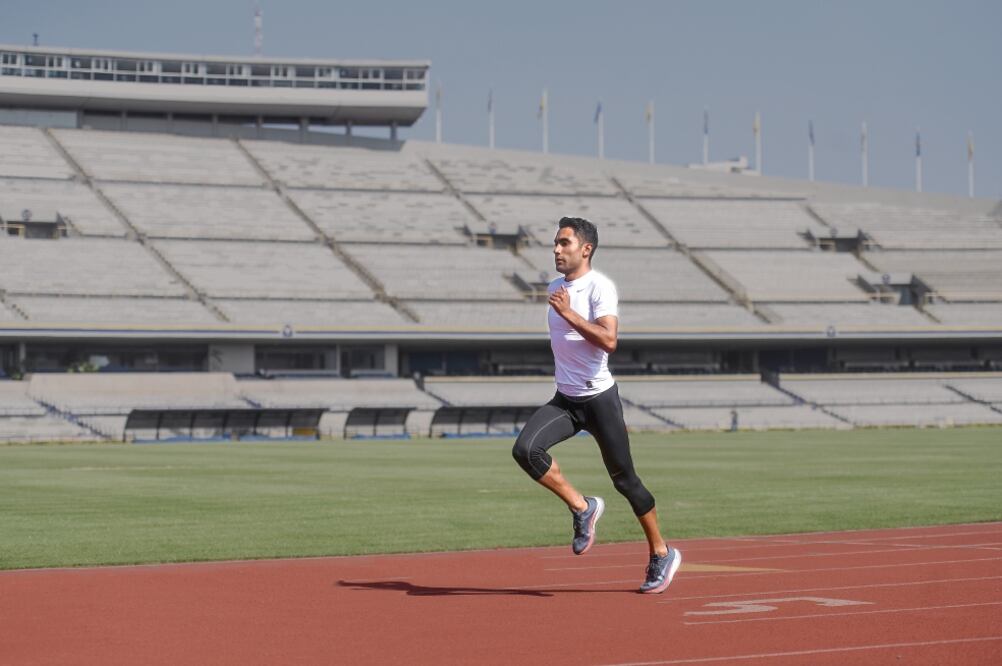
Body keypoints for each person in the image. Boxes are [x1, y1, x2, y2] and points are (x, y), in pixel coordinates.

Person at [512, 217, 681, 594]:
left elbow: (609, 341)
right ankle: (582, 507)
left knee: (625, 481)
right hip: (566, 400)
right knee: (525, 450)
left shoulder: (599, 287)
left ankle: (661, 551)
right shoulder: (556, 287)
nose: (556, 250)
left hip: (599, 400)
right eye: (555, 243)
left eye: (564, 243)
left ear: (585, 249)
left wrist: (569, 313)